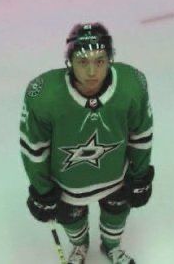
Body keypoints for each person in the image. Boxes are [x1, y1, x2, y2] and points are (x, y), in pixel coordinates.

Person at [19, 22, 155, 264]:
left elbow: (141, 134)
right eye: (83, 62)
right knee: (72, 218)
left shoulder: (132, 85)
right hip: (68, 183)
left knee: (117, 213)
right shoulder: (43, 95)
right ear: (69, 61)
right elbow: (34, 148)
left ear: (110, 60)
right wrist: (42, 190)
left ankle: (112, 247)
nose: (92, 72)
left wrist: (140, 174)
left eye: (100, 61)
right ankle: (80, 247)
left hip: (116, 176)